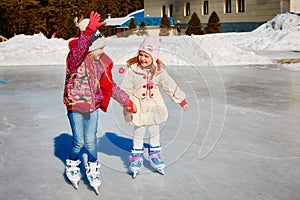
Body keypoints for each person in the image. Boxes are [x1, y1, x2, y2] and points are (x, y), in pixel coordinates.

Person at [63, 11, 136, 194]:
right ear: (89, 47)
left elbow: (109, 87)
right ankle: (72, 164)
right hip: (75, 105)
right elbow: (79, 50)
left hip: (92, 106)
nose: (103, 51)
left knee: (91, 141)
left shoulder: (101, 63)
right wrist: (87, 33)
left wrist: (126, 101)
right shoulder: (75, 60)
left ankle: (93, 167)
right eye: (99, 48)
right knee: (79, 141)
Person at [120, 36, 189, 178]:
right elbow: (125, 89)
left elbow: (169, 85)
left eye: (146, 56)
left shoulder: (158, 71)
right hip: (137, 105)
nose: (143, 59)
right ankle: (137, 158)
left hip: (153, 106)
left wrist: (181, 100)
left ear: (154, 57)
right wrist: (127, 103)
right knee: (139, 131)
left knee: (154, 131)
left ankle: (155, 156)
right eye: (141, 55)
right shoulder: (132, 70)